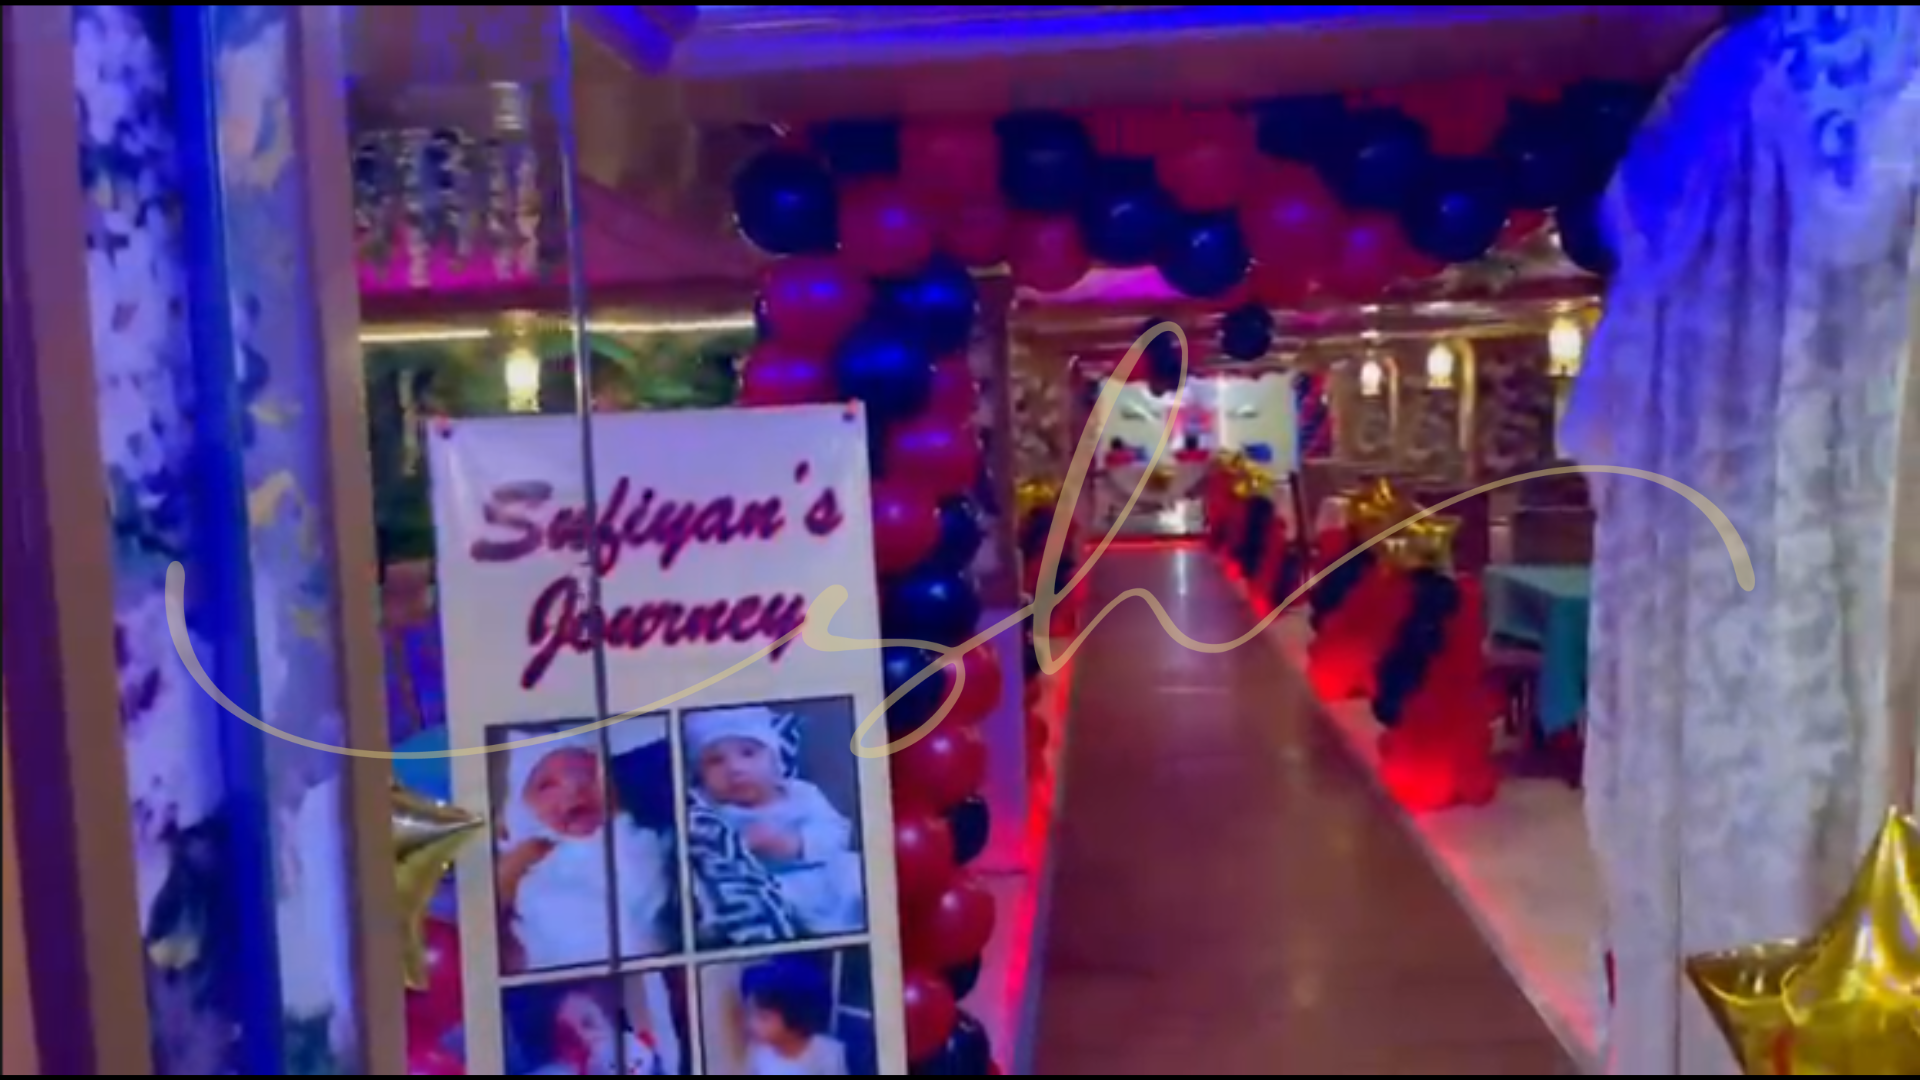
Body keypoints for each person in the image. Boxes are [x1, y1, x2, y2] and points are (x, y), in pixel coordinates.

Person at [496, 733, 673, 971]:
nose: (574, 791)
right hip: (554, 965)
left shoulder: (637, 831)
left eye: (591, 777)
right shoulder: (530, 856)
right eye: (547, 786)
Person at [687, 707, 864, 935]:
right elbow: (704, 852)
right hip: (773, 886)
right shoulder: (708, 809)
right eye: (715, 761)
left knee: (855, 871)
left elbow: (837, 831)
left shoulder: (801, 793)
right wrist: (738, 848)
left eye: (748, 753)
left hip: (825, 871)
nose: (734, 768)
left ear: (775, 761)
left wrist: (796, 844)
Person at [739, 959, 847, 1076]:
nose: (751, 1024)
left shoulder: (828, 1055)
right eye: (749, 1013)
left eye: (763, 1017)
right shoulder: (758, 1051)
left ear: (794, 1017)